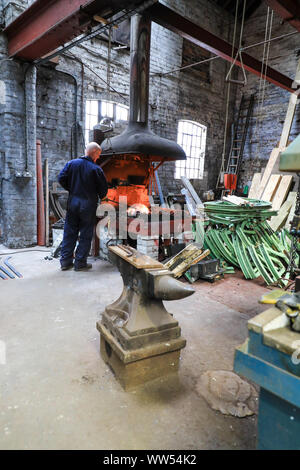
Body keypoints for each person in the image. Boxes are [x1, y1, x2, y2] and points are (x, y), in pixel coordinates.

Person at [58, 142, 108, 271]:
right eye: (98, 155)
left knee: (70, 232)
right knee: (85, 233)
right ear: (94, 153)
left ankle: (65, 262)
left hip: (73, 203)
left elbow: (61, 178)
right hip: (88, 205)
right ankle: (80, 263)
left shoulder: (71, 164)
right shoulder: (96, 169)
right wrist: (98, 195)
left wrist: (72, 189)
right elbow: (103, 191)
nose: (98, 158)